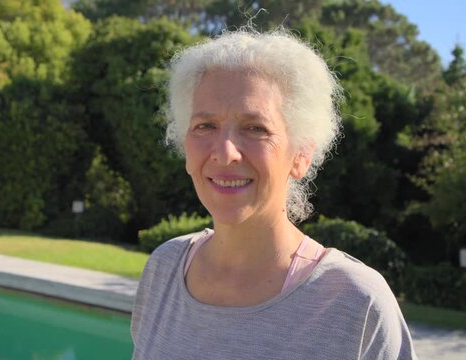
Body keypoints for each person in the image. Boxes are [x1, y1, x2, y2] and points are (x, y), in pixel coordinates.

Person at [131, 29, 417, 360]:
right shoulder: (164, 268)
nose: (224, 153)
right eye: (205, 126)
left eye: (256, 128)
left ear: (301, 156)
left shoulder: (355, 303)